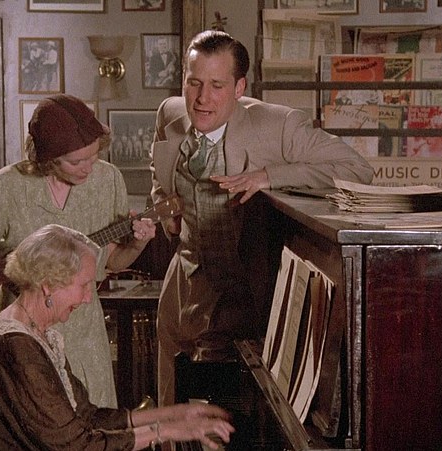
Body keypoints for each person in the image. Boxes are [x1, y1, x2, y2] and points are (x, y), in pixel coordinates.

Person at [149, 30, 374, 406]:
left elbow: (358, 169)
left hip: (247, 300)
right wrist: (165, 207)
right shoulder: (170, 114)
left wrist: (269, 176)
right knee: (171, 408)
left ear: (239, 87)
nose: (202, 98)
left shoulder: (278, 126)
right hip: (182, 292)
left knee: (227, 416)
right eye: (194, 82)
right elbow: (159, 167)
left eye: (217, 86)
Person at [0, 94, 156, 408]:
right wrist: (31, 266)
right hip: (25, 335)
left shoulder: (107, 180)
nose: (88, 168)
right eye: (76, 162)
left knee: (95, 423)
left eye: (93, 156)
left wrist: (137, 243)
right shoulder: (8, 185)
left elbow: (112, 262)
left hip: (86, 334)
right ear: (47, 159)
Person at [0, 224, 234, 450]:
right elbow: (76, 445)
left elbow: (86, 417)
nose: (88, 298)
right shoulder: (14, 347)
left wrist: (174, 414)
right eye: (84, 285)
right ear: (48, 285)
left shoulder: (34, 334)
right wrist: (165, 431)